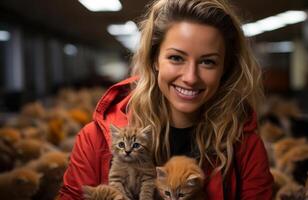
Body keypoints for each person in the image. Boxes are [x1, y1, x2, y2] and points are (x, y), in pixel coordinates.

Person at [59, 0, 273, 199]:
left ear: (224, 69)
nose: (190, 77)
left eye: (208, 62)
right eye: (176, 58)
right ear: (154, 60)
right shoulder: (95, 139)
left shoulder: (244, 146)